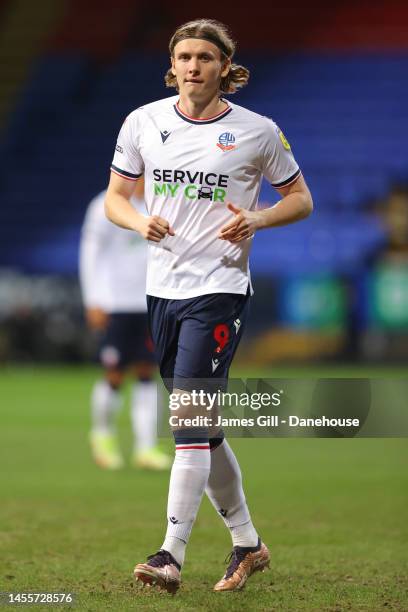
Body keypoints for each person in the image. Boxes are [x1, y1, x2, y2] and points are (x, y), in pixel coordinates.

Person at [105, 18, 313, 593]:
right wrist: (139, 220)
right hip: (161, 290)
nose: (193, 66)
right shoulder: (143, 122)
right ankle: (247, 543)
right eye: (184, 57)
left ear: (225, 67)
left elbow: (300, 198)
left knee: (188, 423)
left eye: (204, 57)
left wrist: (259, 217)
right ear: (172, 67)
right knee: (202, 425)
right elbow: (116, 199)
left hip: (218, 290)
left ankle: (171, 553)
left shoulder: (257, 131)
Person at [79, 178, 172, 471]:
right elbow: (90, 254)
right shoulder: (104, 204)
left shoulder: (161, 202)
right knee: (115, 372)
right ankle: (102, 435)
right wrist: (92, 299)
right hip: (114, 303)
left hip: (151, 300)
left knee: (147, 371)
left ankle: (145, 447)